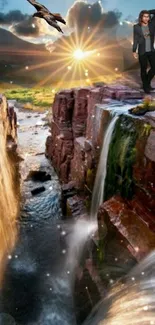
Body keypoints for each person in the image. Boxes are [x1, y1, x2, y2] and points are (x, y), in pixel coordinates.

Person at [132, 9, 155, 94]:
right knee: (143, 69)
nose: (146, 18)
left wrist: (149, 11)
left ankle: (146, 83)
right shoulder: (136, 27)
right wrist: (134, 51)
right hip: (142, 51)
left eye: (148, 16)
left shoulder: (152, 24)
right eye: (144, 16)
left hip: (151, 50)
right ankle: (146, 87)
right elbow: (135, 40)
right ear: (141, 17)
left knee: (154, 68)